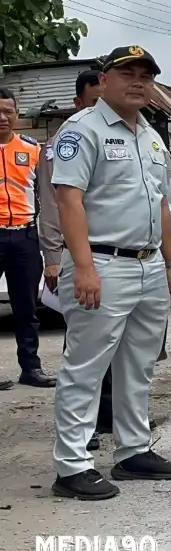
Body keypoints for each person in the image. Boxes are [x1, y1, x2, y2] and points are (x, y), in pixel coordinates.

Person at [49, 46, 171, 501]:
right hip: (103, 264)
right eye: (127, 72)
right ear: (103, 80)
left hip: (148, 264)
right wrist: (84, 266)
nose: (137, 81)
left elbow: (162, 204)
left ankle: (133, 450)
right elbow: (68, 200)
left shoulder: (149, 135)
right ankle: (72, 465)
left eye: (146, 75)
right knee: (87, 367)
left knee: (138, 365)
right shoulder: (81, 130)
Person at [0, 87, 54, 391]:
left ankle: (31, 368)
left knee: (26, 307)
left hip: (24, 236)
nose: (2, 117)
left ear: (17, 115)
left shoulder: (33, 150)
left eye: (8, 111)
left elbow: (47, 197)